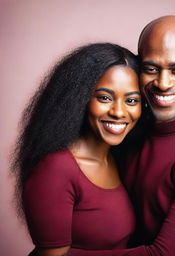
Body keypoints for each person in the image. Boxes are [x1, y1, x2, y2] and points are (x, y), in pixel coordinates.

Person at [67, 15, 175, 256]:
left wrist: (57, 254)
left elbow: (161, 255)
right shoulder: (125, 127)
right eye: (151, 69)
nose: (163, 83)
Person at [11, 43, 142, 256]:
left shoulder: (120, 157)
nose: (119, 112)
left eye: (131, 100)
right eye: (105, 98)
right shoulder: (57, 168)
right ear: (80, 98)